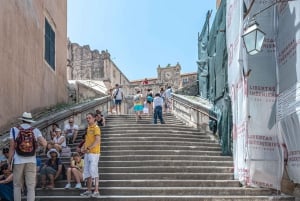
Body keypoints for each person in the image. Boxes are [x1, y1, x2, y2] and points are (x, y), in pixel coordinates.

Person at [7, 112, 47, 201]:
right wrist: (37, 146)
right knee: (30, 186)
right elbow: (44, 143)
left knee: (17, 185)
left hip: (18, 161)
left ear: (22, 120)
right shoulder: (35, 130)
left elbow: (12, 147)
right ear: (30, 121)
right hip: (31, 161)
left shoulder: (14, 130)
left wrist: (9, 161)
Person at [80, 113, 101, 198]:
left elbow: (97, 141)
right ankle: (88, 190)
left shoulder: (96, 128)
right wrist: (83, 147)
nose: (88, 119)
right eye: (87, 118)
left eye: (89, 118)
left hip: (94, 153)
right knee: (87, 172)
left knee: (94, 171)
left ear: (94, 119)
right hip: (87, 153)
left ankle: (96, 191)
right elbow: (87, 140)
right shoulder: (88, 128)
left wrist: (89, 148)